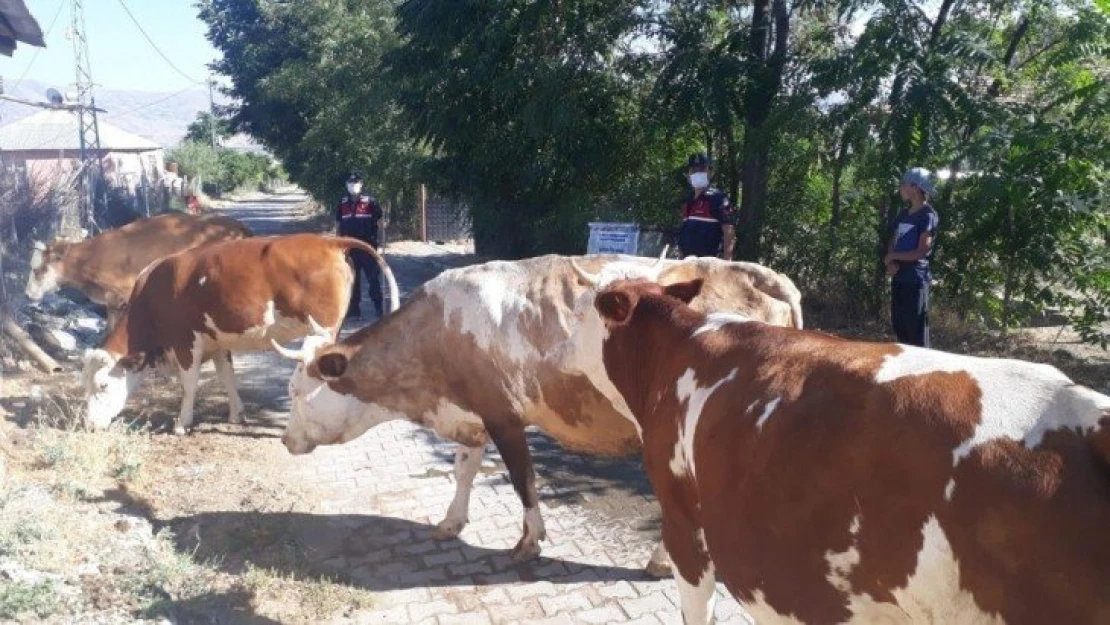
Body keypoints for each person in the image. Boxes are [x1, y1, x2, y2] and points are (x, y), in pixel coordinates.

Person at [885, 167, 939, 347]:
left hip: (915, 280)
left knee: (916, 333)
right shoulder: (903, 213)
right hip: (899, 277)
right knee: (900, 328)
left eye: (904, 184)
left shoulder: (928, 215)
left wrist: (893, 255)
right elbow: (895, 239)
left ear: (915, 188)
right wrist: (891, 261)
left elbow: (922, 251)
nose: (900, 188)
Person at [336, 171, 385, 319]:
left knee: (373, 279)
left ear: (361, 185)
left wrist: (382, 240)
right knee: (353, 281)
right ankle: (354, 310)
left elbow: (380, 222)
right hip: (350, 249)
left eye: (356, 183)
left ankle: (379, 309)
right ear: (346, 185)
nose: (353, 186)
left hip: (368, 248)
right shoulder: (342, 204)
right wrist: (338, 247)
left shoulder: (370, 202)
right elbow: (338, 226)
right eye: (350, 184)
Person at [677, 153, 736, 259]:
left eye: (702, 169)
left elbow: (729, 230)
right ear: (688, 174)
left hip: (710, 263)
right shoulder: (686, 200)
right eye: (694, 170)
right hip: (686, 262)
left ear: (710, 173)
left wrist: (727, 263)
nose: (698, 173)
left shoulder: (718, 198)